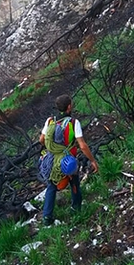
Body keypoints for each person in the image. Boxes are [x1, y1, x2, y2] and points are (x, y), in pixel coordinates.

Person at [39, 94, 98, 225]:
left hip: (52, 160)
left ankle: (47, 217)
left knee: (52, 185)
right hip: (68, 160)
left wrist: (54, 149)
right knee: (74, 181)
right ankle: (76, 208)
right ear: (69, 107)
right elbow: (82, 145)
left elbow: (41, 140)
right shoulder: (73, 123)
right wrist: (92, 160)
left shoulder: (50, 121)